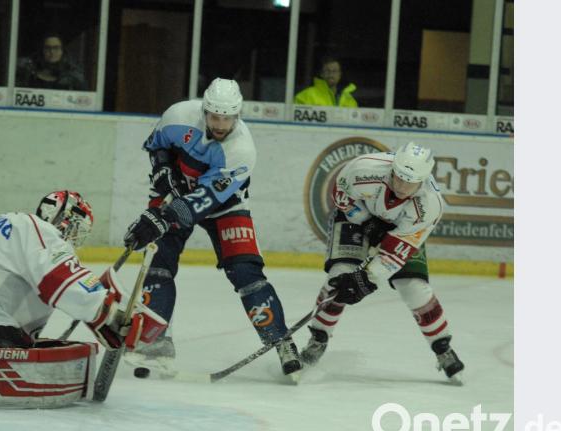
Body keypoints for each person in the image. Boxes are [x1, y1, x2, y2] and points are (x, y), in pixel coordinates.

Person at [0, 190, 167, 409]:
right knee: (24, 360)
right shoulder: (43, 232)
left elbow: (46, 289)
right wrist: (110, 315)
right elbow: (64, 281)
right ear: (65, 219)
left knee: (23, 341)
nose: (75, 238)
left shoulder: (10, 223)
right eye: (77, 229)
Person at [121, 78, 303, 380]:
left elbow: (199, 203)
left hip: (224, 205)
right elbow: (157, 146)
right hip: (176, 195)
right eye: (215, 116)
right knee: (158, 265)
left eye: (227, 118)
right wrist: (164, 170)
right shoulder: (178, 115)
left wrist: (158, 219)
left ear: (238, 115)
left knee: (246, 273)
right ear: (204, 110)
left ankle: (280, 340)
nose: (220, 124)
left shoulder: (241, 151)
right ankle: (155, 341)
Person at [301, 142, 465, 382]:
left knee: (413, 288)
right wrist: (366, 221)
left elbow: (393, 254)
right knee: (338, 277)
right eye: (398, 177)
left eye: (410, 182)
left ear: (423, 179)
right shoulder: (364, 169)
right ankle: (318, 338)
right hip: (355, 217)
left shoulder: (430, 206)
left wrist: (366, 279)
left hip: (400, 231)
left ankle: (443, 348)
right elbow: (341, 194)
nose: (401, 186)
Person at [20, 33, 87, 91]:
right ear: (42, 51)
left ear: (62, 51)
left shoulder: (73, 76)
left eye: (56, 48)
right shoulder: (29, 73)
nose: (52, 52)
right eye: (48, 48)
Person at [293, 56, 358, 107]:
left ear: (340, 74)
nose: (331, 74)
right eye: (327, 71)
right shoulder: (305, 96)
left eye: (334, 71)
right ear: (321, 74)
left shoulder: (349, 100)